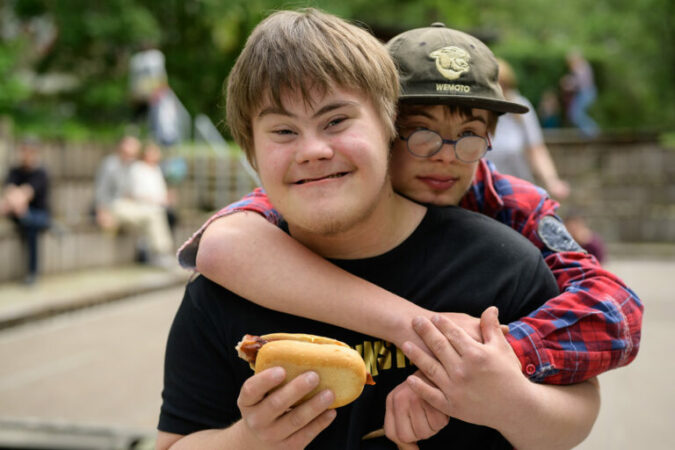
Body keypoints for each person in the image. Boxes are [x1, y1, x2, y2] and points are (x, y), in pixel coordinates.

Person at [158, 11, 601, 449]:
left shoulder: (503, 264)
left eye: (336, 121)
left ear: (388, 126)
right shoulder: (217, 296)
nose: (313, 150)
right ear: (251, 150)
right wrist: (249, 440)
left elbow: (577, 413)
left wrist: (505, 400)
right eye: (283, 130)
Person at [488, 58, 570, 200]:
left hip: (517, 193)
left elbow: (536, 149)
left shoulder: (520, 108)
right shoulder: (477, 112)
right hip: (485, 194)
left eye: (504, 85)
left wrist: (552, 181)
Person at [93, 135, 173, 266]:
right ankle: (160, 253)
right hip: (114, 205)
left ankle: (151, 251)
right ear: (120, 148)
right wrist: (102, 212)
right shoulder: (110, 164)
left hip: (128, 205)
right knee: (152, 215)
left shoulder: (133, 166)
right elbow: (101, 191)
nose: (131, 155)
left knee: (153, 213)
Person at [0, 139, 50, 284]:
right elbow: (10, 191)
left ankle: (32, 273)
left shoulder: (41, 173)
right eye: (23, 151)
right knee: (26, 221)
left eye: (29, 152)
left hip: (39, 214)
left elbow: (27, 193)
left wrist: (15, 204)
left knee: (31, 227)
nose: (25, 155)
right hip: (18, 212)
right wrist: (17, 205)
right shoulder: (14, 171)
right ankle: (33, 273)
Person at [129, 140, 178, 232]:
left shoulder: (156, 169)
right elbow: (137, 193)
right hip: (144, 206)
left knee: (172, 216)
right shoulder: (138, 168)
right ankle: (161, 246)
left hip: (159, 206)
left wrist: (167, 198)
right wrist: (157, 200)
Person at [561, 50, 599, 137]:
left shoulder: (581, 66)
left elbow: (580, 82)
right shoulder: (583, 66)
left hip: (586, 92)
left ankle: (593, 131)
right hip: (585, 92)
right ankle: (588, 132)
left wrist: (568, 83)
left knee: (576, 113)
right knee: (575, 114)